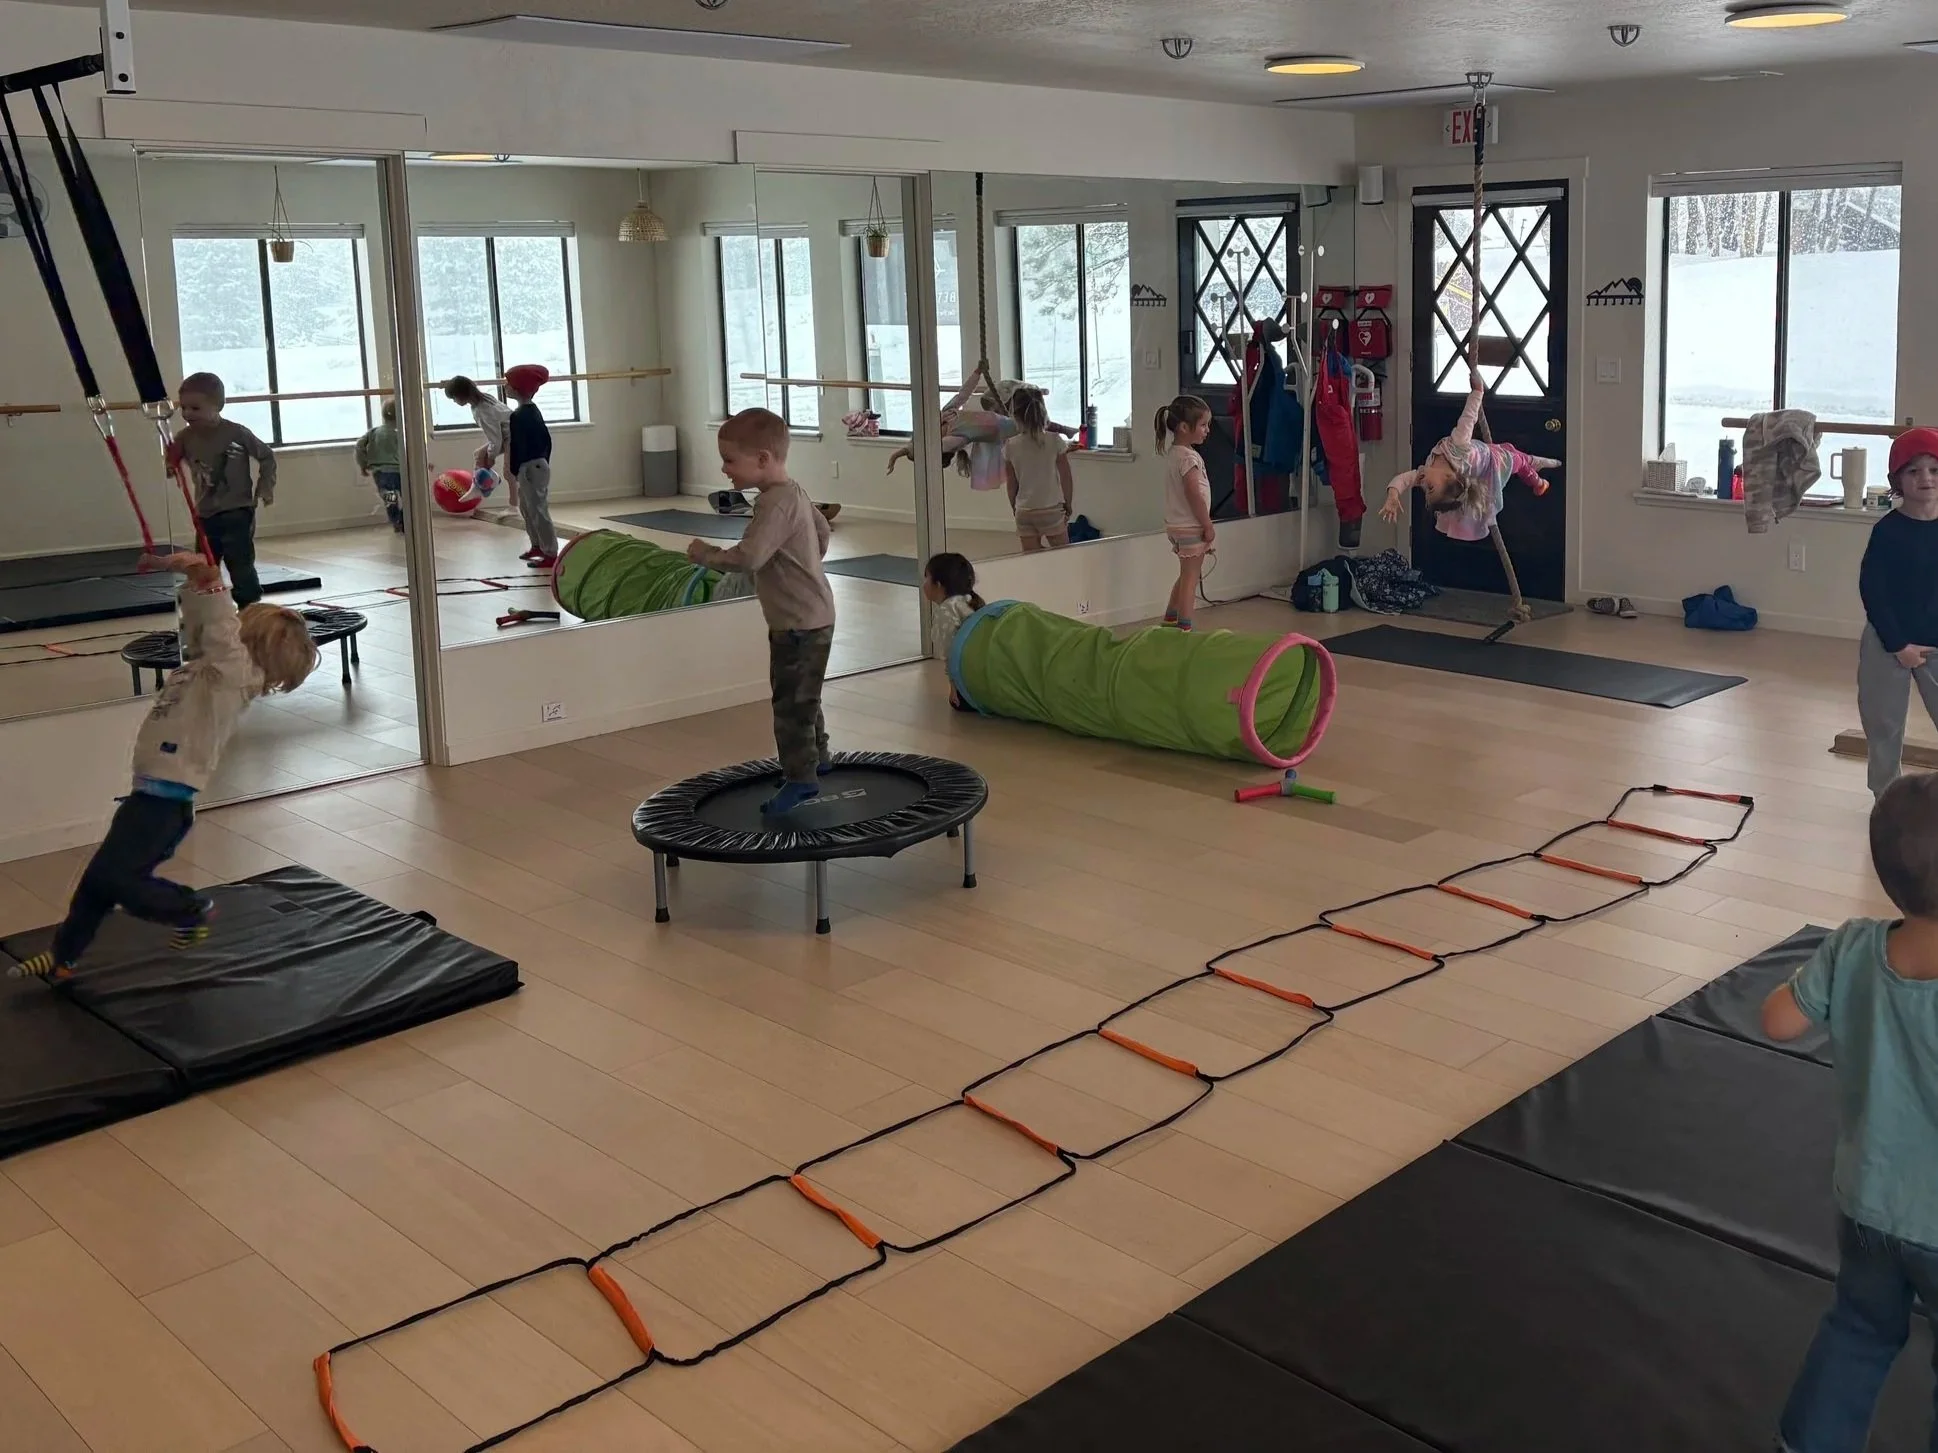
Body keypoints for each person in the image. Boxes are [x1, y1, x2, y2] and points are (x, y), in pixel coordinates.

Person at [10, 552, 319, 982]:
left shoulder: (233, 673)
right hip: (148, 797)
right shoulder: (210, 670)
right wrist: (196, 583)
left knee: (115, 879)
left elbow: (217, 632)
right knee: (99, 882)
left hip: (162, 806)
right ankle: (64, 958)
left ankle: (189, 910)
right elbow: (200, 630)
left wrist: (213, 585)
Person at [1761, 772, 1938, 1452]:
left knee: (1859, 1329)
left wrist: (1824, 983)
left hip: (1865, 1205)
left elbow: (1779, 1019)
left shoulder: (1854, 943)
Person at [685, 409, 837, 816]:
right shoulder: (796, 491)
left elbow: (750, 558)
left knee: (790, 707)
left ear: (764, 459)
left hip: (798, 622)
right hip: (813, 614)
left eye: (730, 460)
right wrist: (803, 563)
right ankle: (817, 758)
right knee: (804, 695)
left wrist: (706, 554)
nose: (724, 469)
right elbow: (822, 534)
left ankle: (801, 780)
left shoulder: (772, 504)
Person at [1378, 371, 1557, 541]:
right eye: (1430, 488)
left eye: (1426, 491)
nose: (1424, 485)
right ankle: (1539, 482)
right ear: (1449, 476)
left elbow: (1403, 480)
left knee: (1512, 451)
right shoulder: (1458, 447)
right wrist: (1477, 391)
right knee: (1520, 461)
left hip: (1484, 451)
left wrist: (1393, 495)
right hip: (1494, 463)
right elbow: (1469, 417)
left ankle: (1537, 463)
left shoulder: (1427, 473)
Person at [1856, 426, 1938, 799]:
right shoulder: (1888, 532)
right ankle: (1886, 798)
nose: (1926, 478)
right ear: (1898, 481)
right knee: (1883, 724)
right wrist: (1897, 645)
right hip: (1887, 641)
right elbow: (1874, 591)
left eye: (1934, 470)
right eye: (1914, 470)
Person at [170, 373, 275, 607]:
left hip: (237, 509)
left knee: (240, 561)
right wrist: (171, 465)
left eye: (195, 408)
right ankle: (208, 604)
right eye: (183, 408)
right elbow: (171, 458)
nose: (187, 414)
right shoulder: (185, 437)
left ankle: (249, 604)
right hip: (206, 512)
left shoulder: (236, 433)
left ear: (217, 406)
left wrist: (265, 487)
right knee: (206, 561)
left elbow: (266, 456)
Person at [1156, 394, 1215, 633]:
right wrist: (1207, 524)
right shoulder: (1189, 458)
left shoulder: (1174, 454)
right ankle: (1185, 628)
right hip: (1191, 526)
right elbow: (1193, 494)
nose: (1207, 430)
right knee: (1192, 578)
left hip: (1177, 526)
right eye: (1203, 425)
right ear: (1183, 427)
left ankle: (1170, 619)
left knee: (1186, 574)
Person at [1004, 386, 1074, 551]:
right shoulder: (1055, 440)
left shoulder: (1010, 445)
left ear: (1015, 415)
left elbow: (1011, 484)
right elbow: (1066, 477)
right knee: (1064, 557)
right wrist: (1068, 503)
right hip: (1051, 510)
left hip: (1024, 511)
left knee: (1031, 560)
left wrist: (1015, 507)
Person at [504, 363, 557, 569]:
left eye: (509, 384)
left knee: (538, 510)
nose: (506, 388)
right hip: (533, 466)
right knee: (528, 508)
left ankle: (550, 552)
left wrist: (518, 469)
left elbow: (520, 445)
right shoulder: (528, 412)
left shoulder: (522, 416)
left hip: (531, 468)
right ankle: (537, 545)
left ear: (518, 389)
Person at [922, 551, 985, 711]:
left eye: (926, 578)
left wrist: (954, 688)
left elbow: (952, 653)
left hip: (973, 678)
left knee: (957, 704)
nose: (923, 584)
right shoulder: (969, 600)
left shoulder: (946, 611)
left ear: (938, 585)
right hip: (985, 670)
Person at [443, 375, 516, 510]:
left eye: (454, 398)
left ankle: (513, 507)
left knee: (508, 472)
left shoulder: (484, 410)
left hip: (515, 434)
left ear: (462, 394)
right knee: (478, 454)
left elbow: (495, 439)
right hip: (506, 434)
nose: (454, 401)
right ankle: (478, 486)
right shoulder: (481, 400)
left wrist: (491, 457)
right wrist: (489, 457)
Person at [355, 399, 404, 532]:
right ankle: (404, 519)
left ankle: (396, 521)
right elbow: (412, 450)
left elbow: (359, 445)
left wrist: (363, 463)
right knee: (408, 497)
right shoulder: (401, 433)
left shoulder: (374, 432)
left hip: (381, 472)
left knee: (390, 498)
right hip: (400, 470)